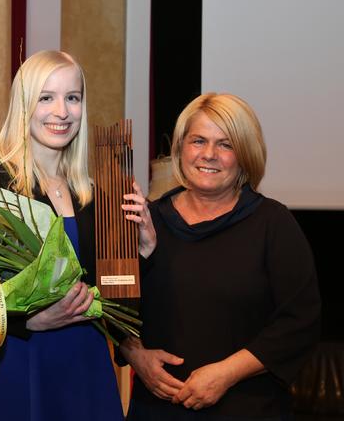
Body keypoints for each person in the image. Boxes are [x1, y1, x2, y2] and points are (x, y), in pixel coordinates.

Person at [120, 93, 321, 420]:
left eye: (225, 145)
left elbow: (300, 322)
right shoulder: (146, 222)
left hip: (249, 408)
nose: (209, 155)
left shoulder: (273, 224)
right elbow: (114, 307)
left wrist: (226, 373)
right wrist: (135, 354)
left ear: (245, 154)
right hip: (157, 409)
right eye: (198, 141)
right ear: (181, 148)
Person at [0, 50, 124, 421]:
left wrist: (143, 249)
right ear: (24, 105)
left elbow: (119, 296)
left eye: (72, 98)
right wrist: (27, 321)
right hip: (21, 359)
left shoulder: (93, 193)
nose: (62, 111)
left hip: (86, 360)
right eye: (46, 98)